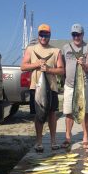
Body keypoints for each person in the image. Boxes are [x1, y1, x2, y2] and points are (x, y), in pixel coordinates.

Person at [21, 23, 64, 152]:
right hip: (37, 87)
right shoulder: (30, 49)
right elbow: (23, 67)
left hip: (51, 88)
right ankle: (39, 142)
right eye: (42, 34)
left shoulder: (56, 51)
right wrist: (37, 64)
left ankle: (53, 141)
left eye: (46, 34)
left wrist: (49, 69)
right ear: (38, 35)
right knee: (38, 114)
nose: (44, 37)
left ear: (50, 35)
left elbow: (62, 70)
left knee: (52, 114)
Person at [61, 23, 88, 149]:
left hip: (84, 84)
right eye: (74, 34)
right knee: (68, 112)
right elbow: (62, 66)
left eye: (78, 34)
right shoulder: (65, 48)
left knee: (84, 112)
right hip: (69, 85)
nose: (76, 37)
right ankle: (68, 137)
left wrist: (84, 64)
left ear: (82, 34)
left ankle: (85, 137)